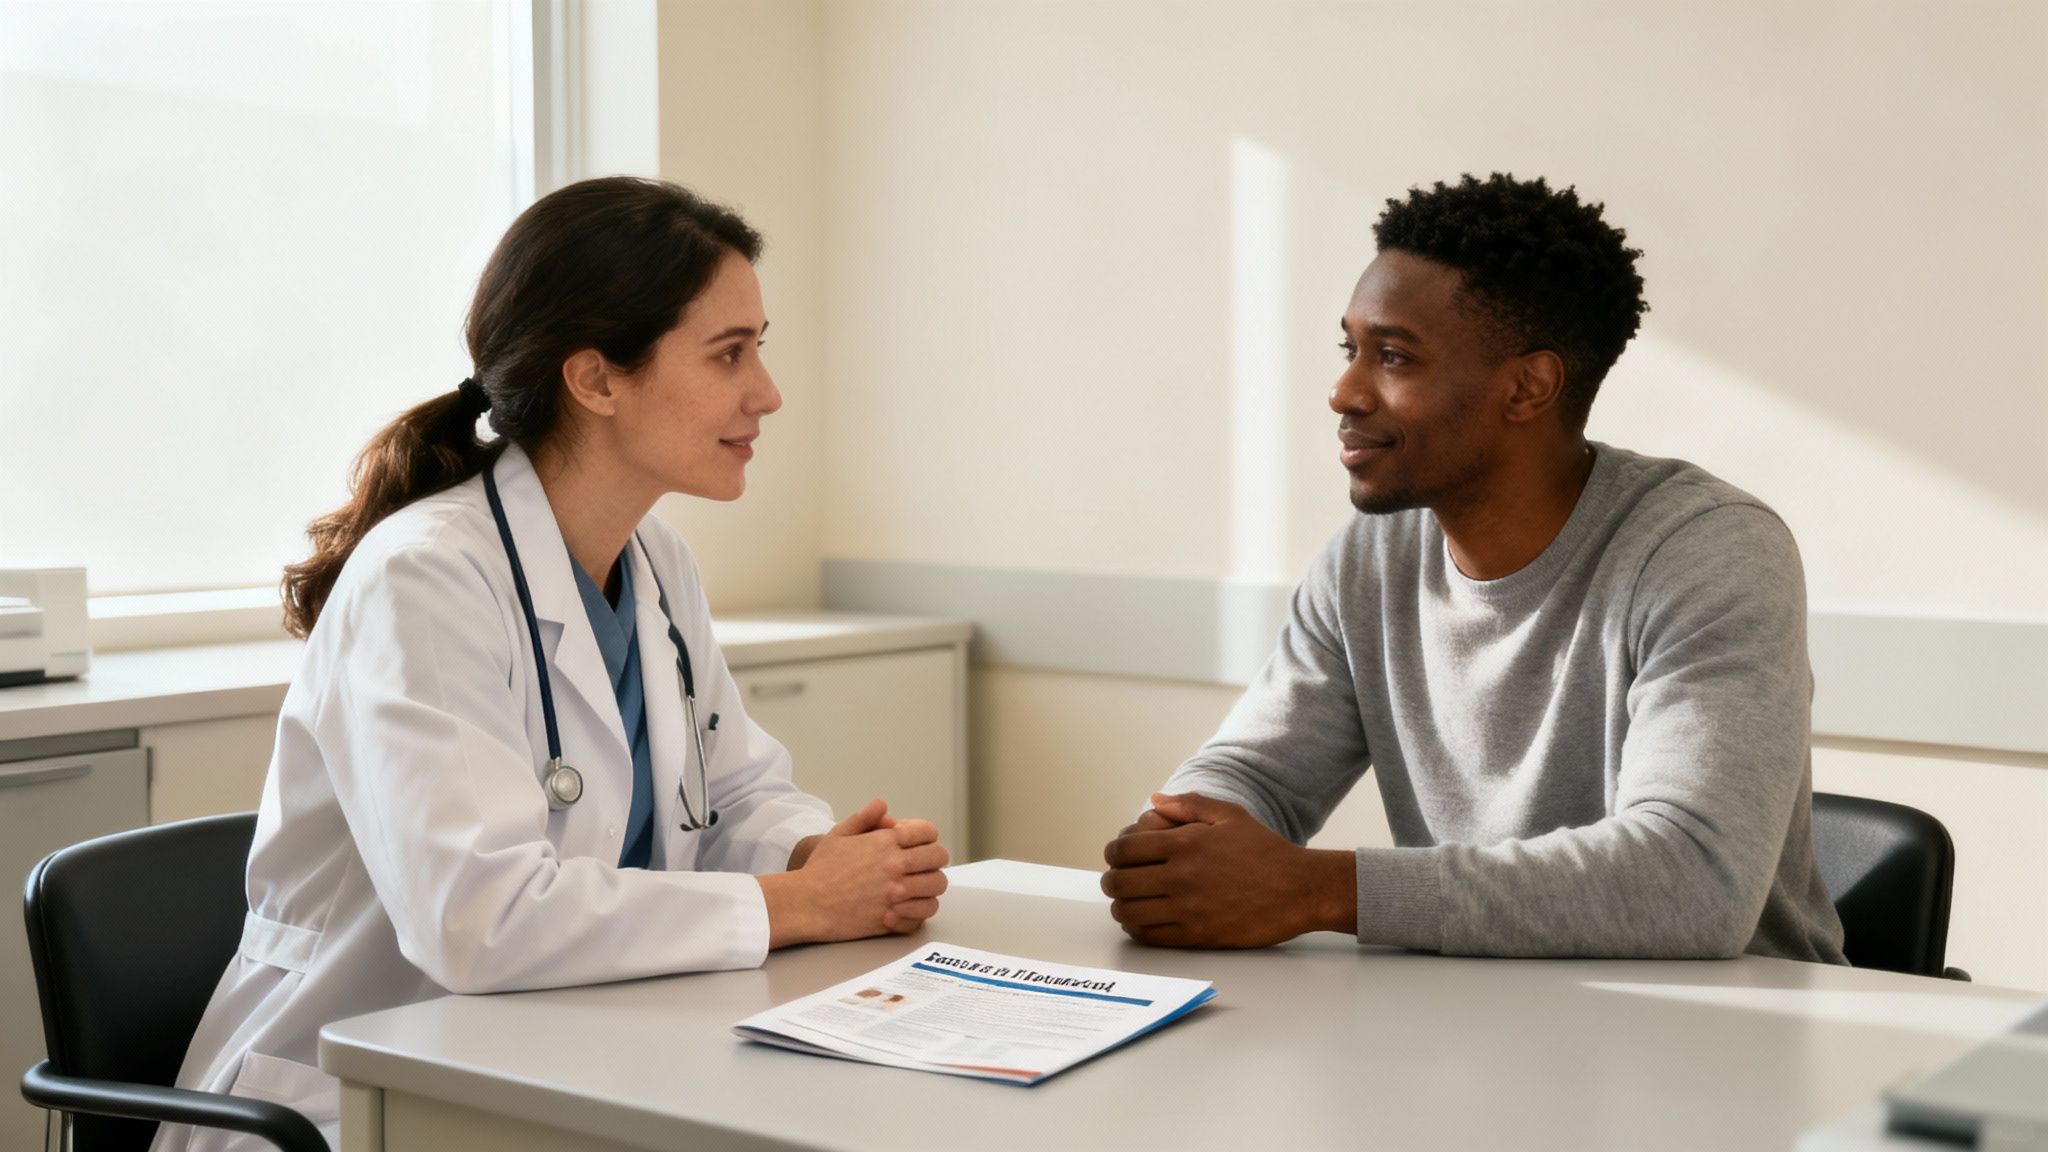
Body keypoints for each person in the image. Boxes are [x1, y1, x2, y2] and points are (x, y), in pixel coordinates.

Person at [154, 177, 949, 1152]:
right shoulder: (424, 579)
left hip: (569, 1056)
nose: (767, 393)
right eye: (728, 353)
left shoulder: (654, 561)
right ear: (596, 380)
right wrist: (800, 903)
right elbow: (476, 919)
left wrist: (813, 854)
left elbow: (735, 792)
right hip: (360, 1098)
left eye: (759, 347)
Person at [1100, 173, 1845, 964]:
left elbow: (1694, 883)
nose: (1344, 392)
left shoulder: (1706, 550)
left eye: (1393, 357)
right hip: (1477, 1014)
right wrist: (1186, 840)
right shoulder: (1369, 558)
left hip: (1730, 1023)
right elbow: (1257, 772)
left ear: (1528, 387)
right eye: (1350, 350)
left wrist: (1317, 891)